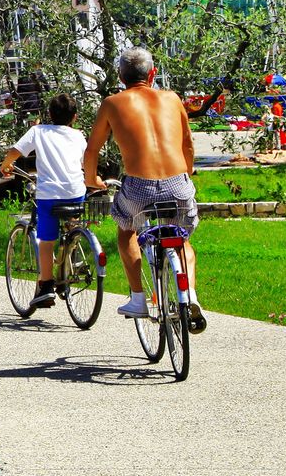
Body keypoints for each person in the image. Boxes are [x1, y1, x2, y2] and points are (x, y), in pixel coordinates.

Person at [84, 46, 206, 328]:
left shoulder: (112, 103)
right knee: (182, 238)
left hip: (139, 187)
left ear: (120, 76)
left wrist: (92, 181)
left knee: (126, 230)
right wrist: (185, 174)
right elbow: (188, 143)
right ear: (152, 73)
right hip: (178, 184)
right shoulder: (172, 98)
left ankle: (138, 299)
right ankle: (191, 295)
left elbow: (91, 152)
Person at [0, 93, 88, 315]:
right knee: (73, 223)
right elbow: (83, 162)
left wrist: (6, 165)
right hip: (76, 191)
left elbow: (14, 152)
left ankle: (46, 284)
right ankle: (72, 253)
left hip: (49, 194)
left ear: (49, 114)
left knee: (46, 241)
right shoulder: (79, 136)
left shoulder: (38, 131)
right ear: (74, 117)